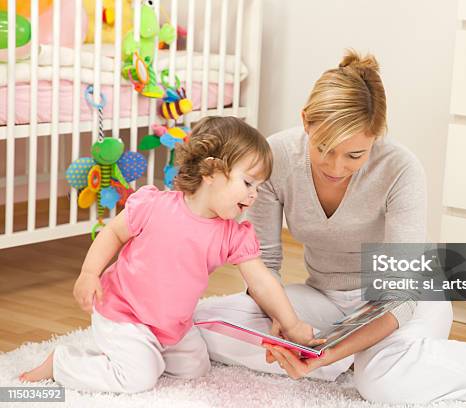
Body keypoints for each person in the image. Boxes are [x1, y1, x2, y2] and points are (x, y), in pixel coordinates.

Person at [193, 51, 466, 404]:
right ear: (306, 121)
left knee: (382, 385)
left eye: (354, 155)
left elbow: (401, 295)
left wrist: (329, 348)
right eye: (324, 149)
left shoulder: (401, 168)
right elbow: (265, 263)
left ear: (377, 137)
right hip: (323, 295)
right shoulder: (276, 156)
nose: (336, 168)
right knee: (201, 321)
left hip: (405, 300)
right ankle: (372, 359)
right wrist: (282, 325)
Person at [19, 116, 321, 393]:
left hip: (172, 323)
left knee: (195, 370)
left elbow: (261, 281)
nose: (254, 194)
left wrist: (291, 324)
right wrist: (89, 274)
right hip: (125, 312)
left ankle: (135, 352)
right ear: (211, 172)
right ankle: (62, 362)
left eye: (259, 186)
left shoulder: (232, 233)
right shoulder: (155, 205)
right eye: (247, 183)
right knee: (138, 378)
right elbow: (113, 232)